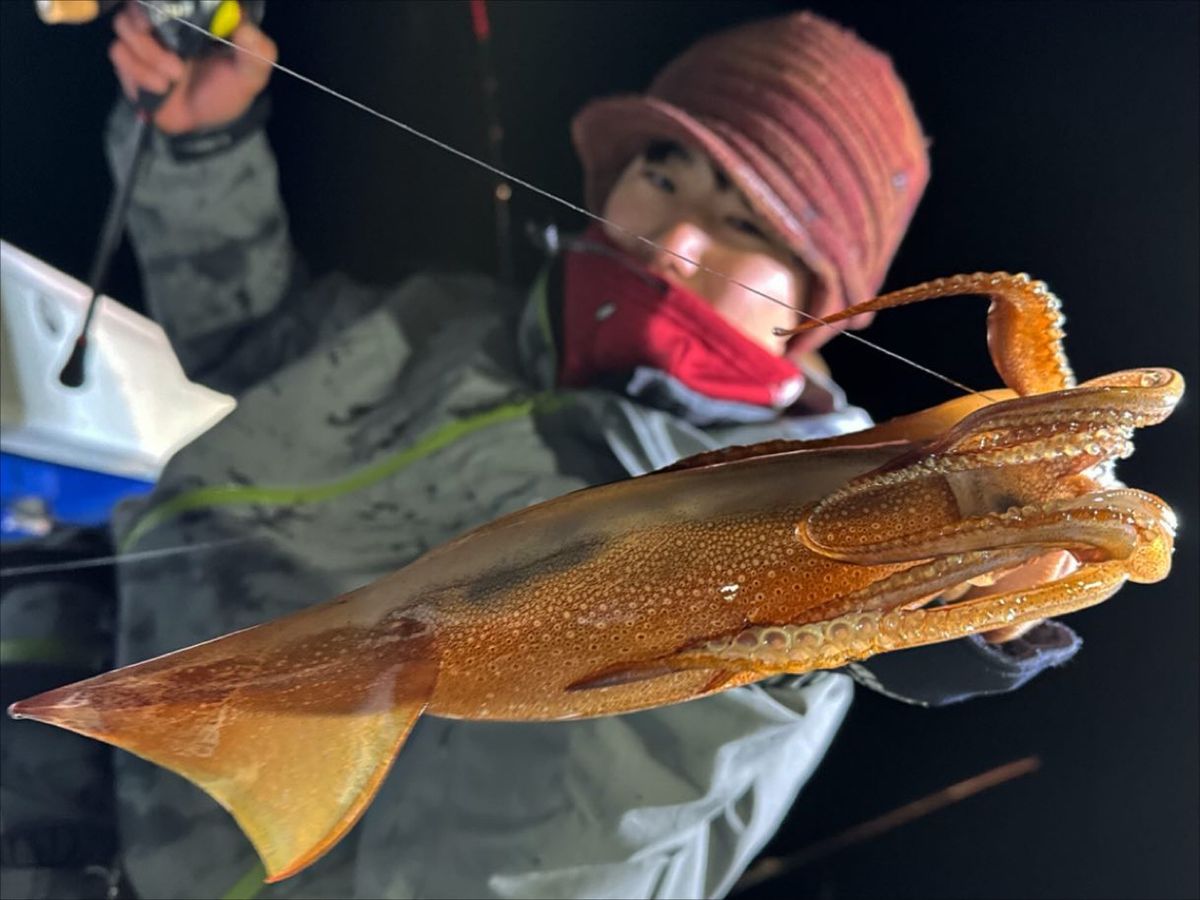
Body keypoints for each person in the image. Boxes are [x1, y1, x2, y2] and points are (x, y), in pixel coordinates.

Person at [1, 6, 1082, 899]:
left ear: (823, 299)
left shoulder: (806, 520)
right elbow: (249, 339)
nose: (679, 238)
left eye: (751, 223)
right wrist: (202, 143)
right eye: (667, 171)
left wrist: (928, 613)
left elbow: (522, 863)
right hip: (74, 664)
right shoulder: (459, 324)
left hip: (165, 858)